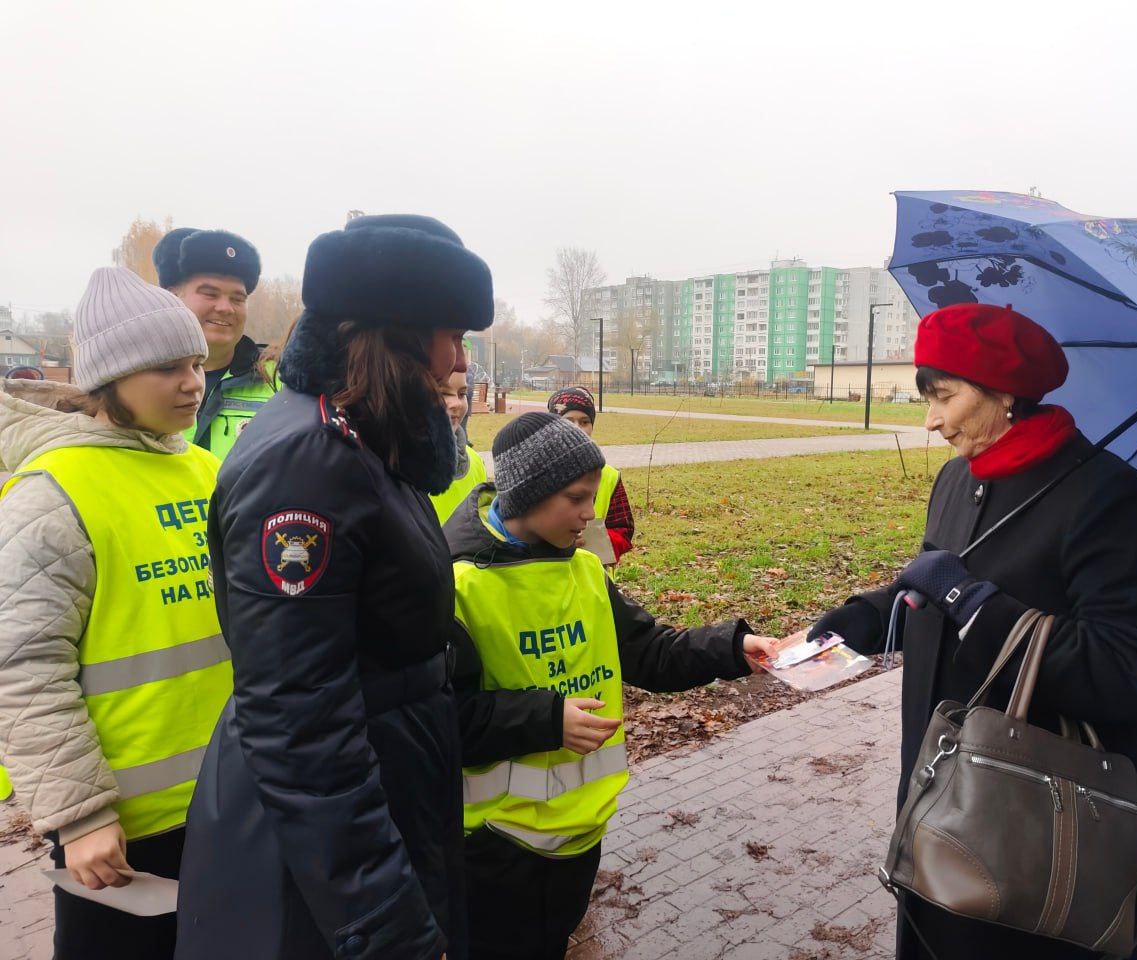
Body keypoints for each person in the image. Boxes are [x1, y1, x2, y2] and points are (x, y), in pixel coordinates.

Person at [809, 303, 1137, 960]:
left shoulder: (1109, 497)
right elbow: (934, 583)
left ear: (1005, 393)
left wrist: (979, 605)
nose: (931, 421)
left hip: (1038, 838)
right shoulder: (959, 478)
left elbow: (1134, 670)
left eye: (944, 397)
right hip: (941, 807)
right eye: (926, 400)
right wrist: (866, 620)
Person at [175, 214, 493, 960]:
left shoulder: (368, 440)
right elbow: (299, 719)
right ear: (394, 335)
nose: (458, 361)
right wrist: (383, 919)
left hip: (388, 784)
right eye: (450, 335)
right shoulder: (312, 461)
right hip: (327, 849)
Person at [444, 411, 778, 960]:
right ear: (528, 495)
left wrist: (730, 647)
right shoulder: (459, 588)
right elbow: (442, 719)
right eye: (576, 498)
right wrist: (547, 720)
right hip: (495, 852)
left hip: (581, 841)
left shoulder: (584, 570)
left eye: (592, 496)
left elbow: (651, 651)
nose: (590, 513)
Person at [0, 267, 228, 957]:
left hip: (229, 799)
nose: (192, 383)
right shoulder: (51, 493)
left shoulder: (207, 471)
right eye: (167, 368)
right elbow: (23, 669)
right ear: (109, 379)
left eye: (196, 364)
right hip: (121, 832)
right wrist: (80, 816)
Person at [153, 226, 276, 458]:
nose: (225, 308)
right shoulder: (137, 381)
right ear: (173, 296)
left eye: (237, 298)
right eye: (210, 294)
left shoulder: (279, 380)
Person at [546, 387, 635, 563]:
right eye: (568, 421)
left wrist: (597, 544)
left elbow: (623, 530)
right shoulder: (535, 472)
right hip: (547, 572)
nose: (577, 428)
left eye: (584, 422)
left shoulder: (609, 476)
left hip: (594, 575)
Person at [430, 368, 488, 524]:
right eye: (442, 393)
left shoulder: (474, 461)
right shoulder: (388, 469)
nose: (456, 403)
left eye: (462, 394)